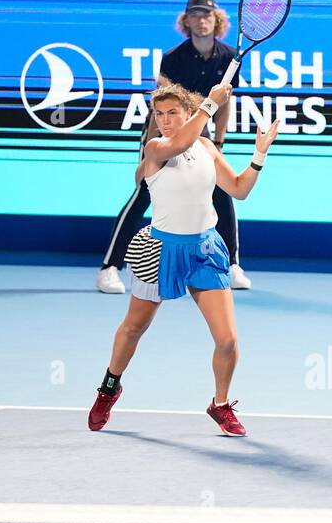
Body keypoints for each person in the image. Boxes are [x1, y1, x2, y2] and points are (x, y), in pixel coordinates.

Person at [88, 81, 280, 436]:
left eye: (173, 112)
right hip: (160, 252)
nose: (165, 120)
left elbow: (239, 189)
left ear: (187, 113)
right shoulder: (156, 147)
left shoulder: (206, 146)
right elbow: (178, 143)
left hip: (205, 250)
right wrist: (211, 103)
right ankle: (109, 388)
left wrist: (259, 156)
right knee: (133, 328)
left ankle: (220, 404)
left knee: (227, 340)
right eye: (159, 114)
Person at [97, 0, 252, 293]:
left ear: (216, 20)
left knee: (222, 192)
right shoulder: (173, 58)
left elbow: (224, 103)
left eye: (206, 15)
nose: (201, 20)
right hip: (164, 129)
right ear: (187, 21)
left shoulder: (228, 56)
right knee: (144, 193)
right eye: (194, 15)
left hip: (200, 132)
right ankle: (110, 267)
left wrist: (218, 141)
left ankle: (232, 263)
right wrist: (154, 146)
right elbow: (161, 105)